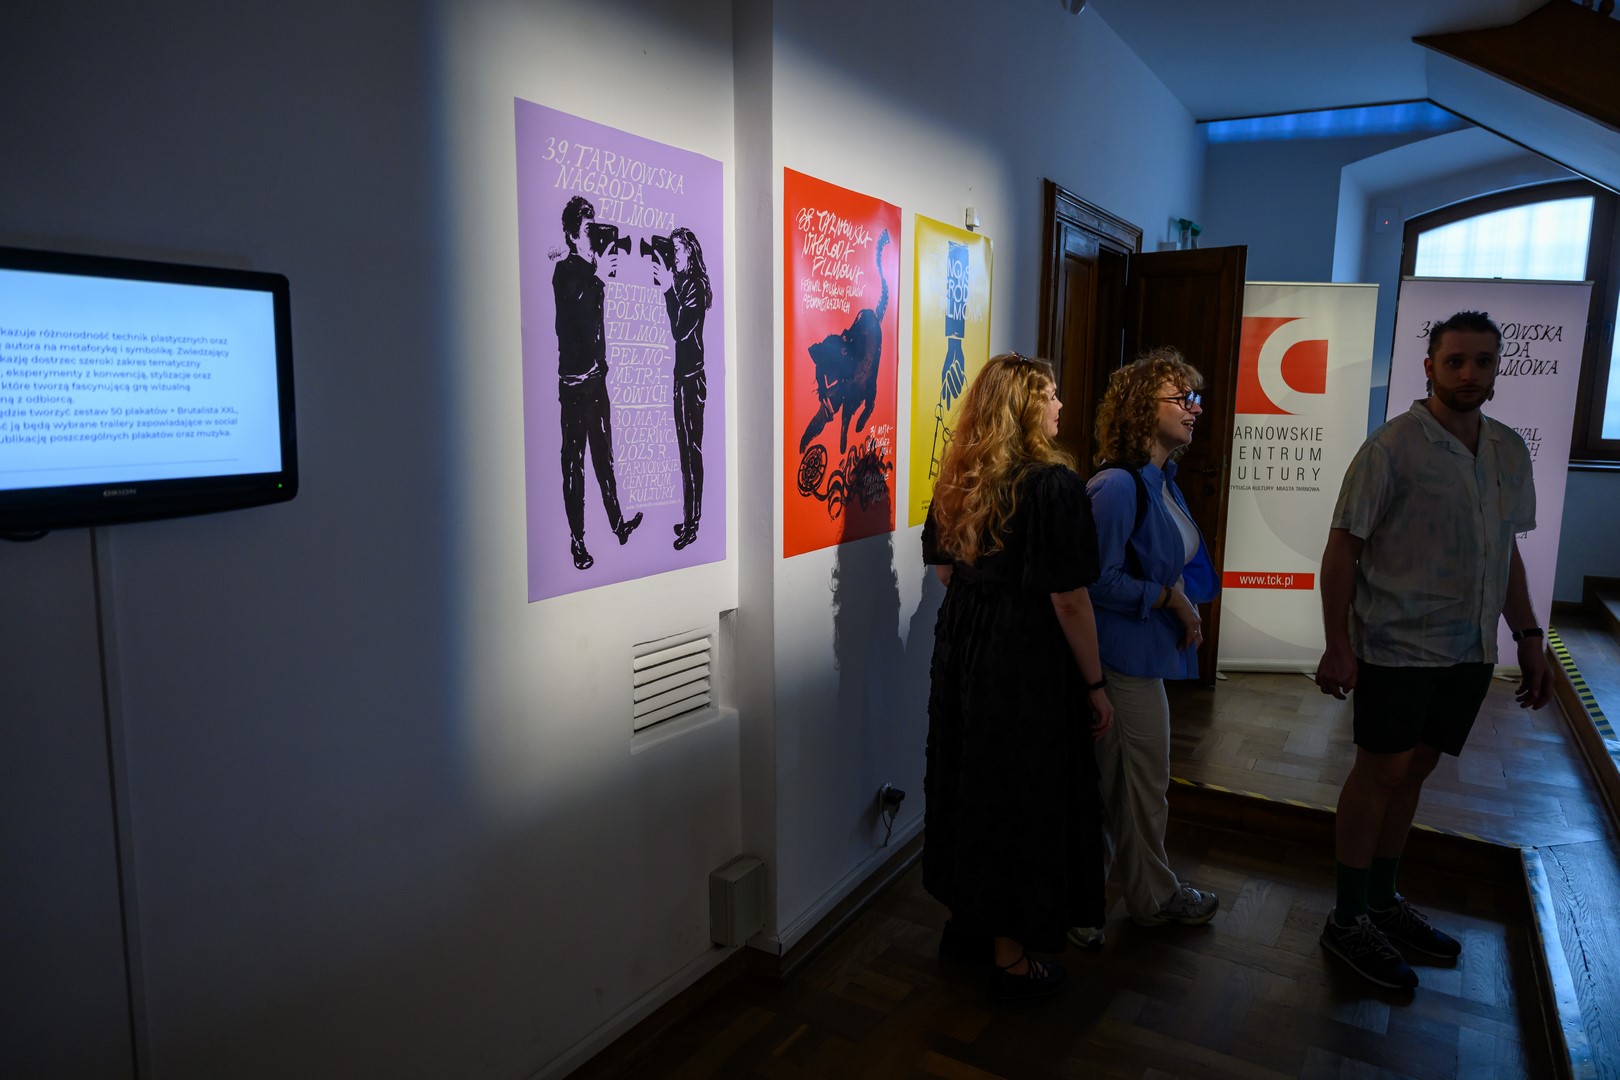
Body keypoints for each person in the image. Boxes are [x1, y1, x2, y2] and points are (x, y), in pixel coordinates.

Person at [1314, 310, 1553, 989]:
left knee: (1416, 768)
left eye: (1482, 361)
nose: (1469, 373)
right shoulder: (1390, 449)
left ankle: (1382, 900)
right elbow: (1342, 551)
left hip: (1469, 645)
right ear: (1430, 366)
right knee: (1380, 773)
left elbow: (1504, 552)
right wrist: (1337, 644)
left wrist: (1527, 635)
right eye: (1455, 361)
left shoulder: (1507, 450)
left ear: (1497, 367)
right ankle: (1347, 918)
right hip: (1397, 643)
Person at [922, 352, 1114, 1003]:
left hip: (963, 645)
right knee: (1017, 792)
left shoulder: (961, 475)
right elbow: (1069, 600)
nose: (1060, 405)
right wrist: (1095, 685)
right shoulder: (1053, 486)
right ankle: (1009, 958)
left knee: (967, 779)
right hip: (1023, 658)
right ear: (1027, 408)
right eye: (1051, 395)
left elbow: (945, 572)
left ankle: (965, 927)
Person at [1068, 348, 1221, 951]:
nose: (1194, 408)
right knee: (1136, 788)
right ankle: (1148, 899)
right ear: (1140, 408)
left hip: (1142, 656)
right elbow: (1089, 580)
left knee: (1129, 788)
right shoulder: (1115, 486)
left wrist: (1179, 599)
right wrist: (1166, 598)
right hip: (1120, 660)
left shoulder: (1162, 481)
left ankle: (1100, 902)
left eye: (1195, 397)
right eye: (1180, 398)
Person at [554, 195, 642, 570]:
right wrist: (598, 276)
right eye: (587, 228)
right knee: (575, 464)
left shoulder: (589, 271)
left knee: (604, 456)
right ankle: (578, 541)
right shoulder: (566, 273)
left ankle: (617, 524)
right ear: (573, 234)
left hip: (595, 380)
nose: (593, 235)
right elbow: (580, 318)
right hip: (575, 385)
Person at [652, 227, 710, 551]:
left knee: (691, 453)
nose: (672, 256)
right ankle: (689, 517)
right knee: (684, 452)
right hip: (682, 377)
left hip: (692, 380)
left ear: (689, 251)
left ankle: (692, 524)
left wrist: (666, 290)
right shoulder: (682, 282)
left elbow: (679, 330)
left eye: (676, 250)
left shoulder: (695, 287)